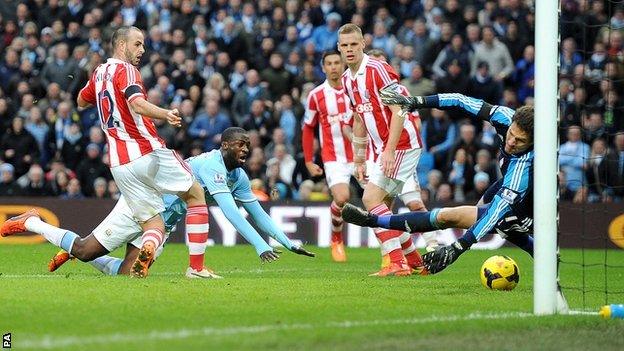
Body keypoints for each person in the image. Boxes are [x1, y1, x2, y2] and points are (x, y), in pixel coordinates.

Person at [1, 128, 315, 277]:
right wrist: (261, 247)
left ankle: (76, 251)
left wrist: (287, 243)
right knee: (85, 250)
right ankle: (32, 221)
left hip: (162, 223)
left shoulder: (239, 177)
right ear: (225, 146)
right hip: (142, 205)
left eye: (249, 146)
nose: (246, 151)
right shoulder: (211, 165)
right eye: (240, 145)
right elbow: (232, 213)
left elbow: (257, 212)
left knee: (130, 275)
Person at [342, 91, 535, 275]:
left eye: (520, 141)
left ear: (533, 142)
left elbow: (498, 209)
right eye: (511, 134)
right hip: (505, 187)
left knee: (466, 217)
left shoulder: (525, 165)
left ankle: (373, 220)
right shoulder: (504, 116)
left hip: (529, 206)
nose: (510, 142)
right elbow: (460, 100)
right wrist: (418, 102)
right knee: (487, 221)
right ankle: (539, 251)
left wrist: (457, 248)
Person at [74, 26, 210, 278]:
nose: (142, 50)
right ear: (122, 45)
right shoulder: (127, 71)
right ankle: (197, 268)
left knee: (153, 223)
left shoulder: (99, 73)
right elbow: (136, 103)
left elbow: (81, 101)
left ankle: (148, 246)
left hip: (119, 164)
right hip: (146, 150)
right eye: (137, 44)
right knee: (194, 192)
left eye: (143, 45)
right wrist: (165, 113)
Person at [337, 24, 425, 276]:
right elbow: (360, 118)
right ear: (339, 48)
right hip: (383, 150)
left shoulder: (378, 69)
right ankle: (415, 262)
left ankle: (397, 263)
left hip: (402, 145)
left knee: (370, 200)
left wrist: (388, 150)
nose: (349, 50)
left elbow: (399, 111)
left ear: (363, 43)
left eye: (354, 44)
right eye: (345, 45)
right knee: (383, 208)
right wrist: (360, 158)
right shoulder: (346, 79)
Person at [301, 50, 353, 262]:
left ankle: (390, 252)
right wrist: (308, 161)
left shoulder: (355, 89)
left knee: (378, 200)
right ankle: (337, 239)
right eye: (329, 63)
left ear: (344, 65)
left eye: (337, 63)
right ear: (323, 68)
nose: (334, 67)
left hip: (363, 154)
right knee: (341, 198)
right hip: (334, 157)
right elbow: (307, 128)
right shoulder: (316, 95)